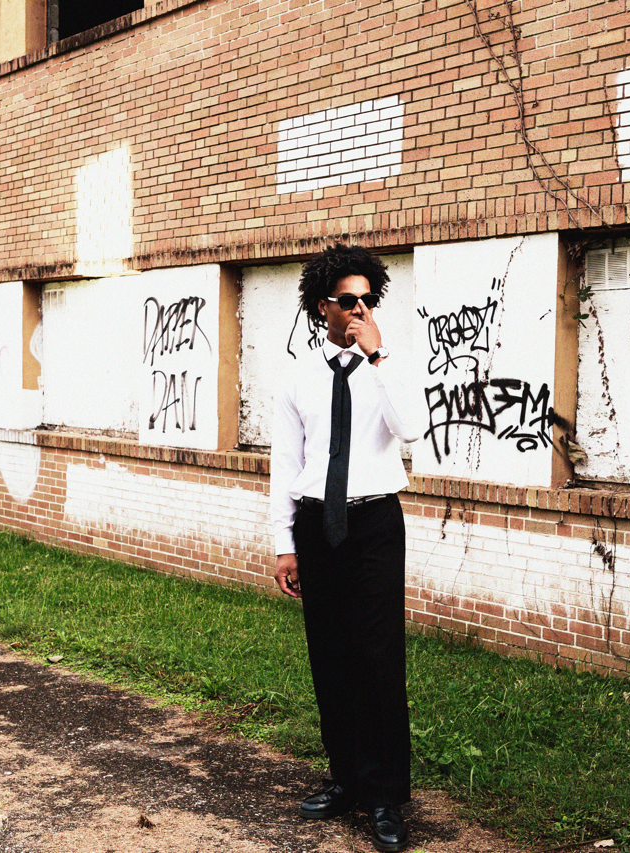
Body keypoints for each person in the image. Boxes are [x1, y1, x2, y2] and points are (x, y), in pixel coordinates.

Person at [270, 243, 426, 852]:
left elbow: (411, 427)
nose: (358, 309)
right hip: (317, 526)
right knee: (330, 656)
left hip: (374, 526)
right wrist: (285, 543)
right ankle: (346, 782)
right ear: (321, 306)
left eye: (367, 300)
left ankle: (385, 797)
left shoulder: (390, 364)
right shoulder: (297, 376)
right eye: (347, 301)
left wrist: (378, 355)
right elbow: (286, 465)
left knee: (378, 657)